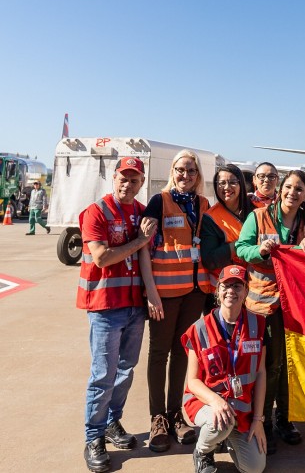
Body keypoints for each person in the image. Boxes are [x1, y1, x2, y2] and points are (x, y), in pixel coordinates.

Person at [78, 157, 157, 473]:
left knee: (125, 369)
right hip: (105, 306)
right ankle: (93, 437)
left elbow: (147, 257)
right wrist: (139, 240)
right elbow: (101, 257)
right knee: (103, 374)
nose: (128, 184)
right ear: (114, 179)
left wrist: (150, 295)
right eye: (123, 178)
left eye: (134, 180)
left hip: (134, 307)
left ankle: (112, 423)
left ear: (141, 183)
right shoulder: (97, 212)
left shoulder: (141, 213)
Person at [140, 150, 215, 452]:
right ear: (173, 171)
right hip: (164, 293)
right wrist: (151, 292)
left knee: (182, 353)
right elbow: (144, 249)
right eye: (181, 170)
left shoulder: (204, 204)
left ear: (198, 176)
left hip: (194, 291)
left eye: (192, 171)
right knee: (159, 353)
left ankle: (175, 415)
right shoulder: (160, 201)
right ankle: (157, 417)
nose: (186, 176)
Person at [236, 170, 305, 454]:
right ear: (281, 190)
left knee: (288, 365)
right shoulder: (258, 217)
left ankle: (285, 417)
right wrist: (261, 250)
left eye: (299, 189)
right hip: (262, 306)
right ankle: (265, 421)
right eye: (289, 187)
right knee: (268, 367)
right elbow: (241, 248)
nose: (293, 193)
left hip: (293, 306)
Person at [182, 264, 267, 473]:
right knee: (220, 421)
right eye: (226, 286)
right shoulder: (199, 328)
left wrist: (258, 420)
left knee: (254, 468)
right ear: (217, 291)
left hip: (240, 409)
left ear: (246, 290)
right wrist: (215, 400)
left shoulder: (259, 324)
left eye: (237, 286)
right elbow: (192, 381)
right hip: (204, 402)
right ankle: (203, 451)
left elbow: (261, 373)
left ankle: (227, 437)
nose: (231, 291)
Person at [200, 164, 253, 305]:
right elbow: (210, 260)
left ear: (241, 184)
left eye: (232, 182)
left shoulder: (256, 209)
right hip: (222, 292)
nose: (226, 187)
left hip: (254, 290)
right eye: (221, 183)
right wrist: (240, 246)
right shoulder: (211, 217)